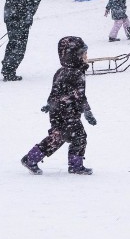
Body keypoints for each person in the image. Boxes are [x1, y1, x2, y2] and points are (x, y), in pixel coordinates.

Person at [20, 36, 96, 175]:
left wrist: (86, 111)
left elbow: (71, 94)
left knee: (58, 137)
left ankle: (31, 158)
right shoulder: (72, 73)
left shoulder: (67, 71)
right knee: (77, 136)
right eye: (83, 53)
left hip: (61, 112)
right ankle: (75, 166)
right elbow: (70, 95)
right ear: (73, 56)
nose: (86, 56)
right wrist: (85, 111)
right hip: (65, 112)